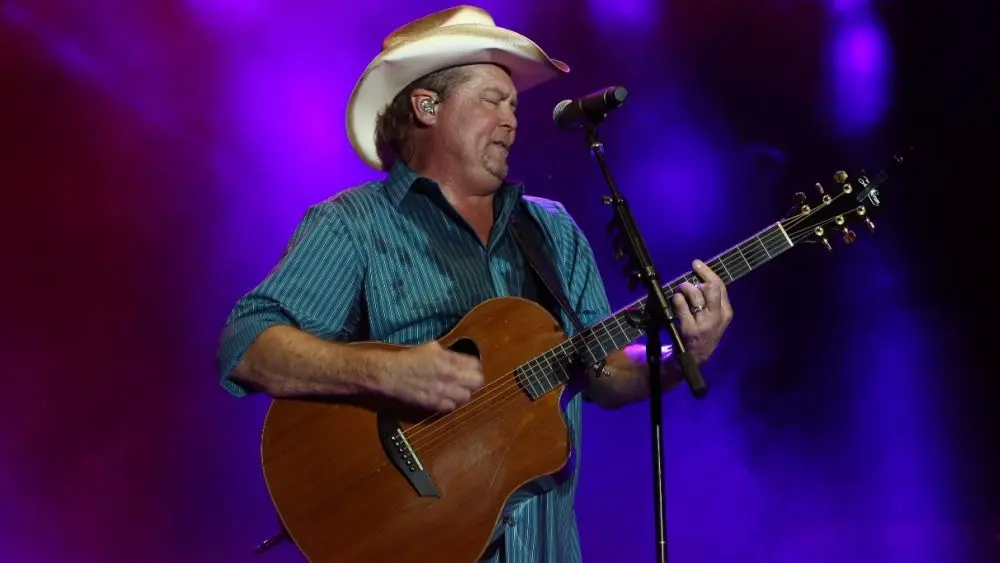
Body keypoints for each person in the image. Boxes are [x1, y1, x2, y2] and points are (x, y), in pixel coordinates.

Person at [216, 5, 733, 562]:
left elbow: (602, 372)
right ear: (427, 105)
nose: (513, 119)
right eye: (493, 100)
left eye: (514, 104)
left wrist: (681, 355)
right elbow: (246, 345)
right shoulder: (353, 225)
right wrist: (389, 370)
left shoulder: (551, 228)